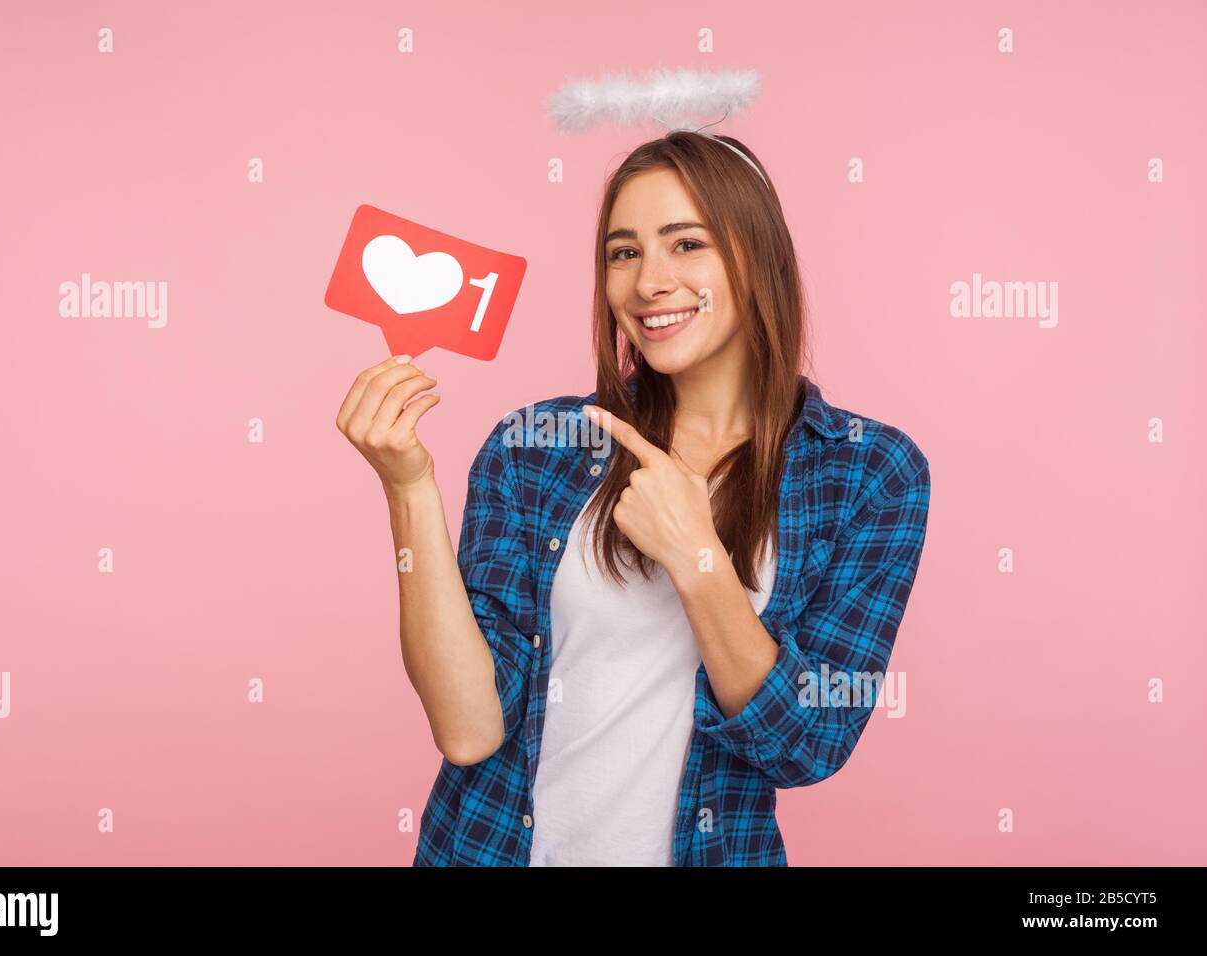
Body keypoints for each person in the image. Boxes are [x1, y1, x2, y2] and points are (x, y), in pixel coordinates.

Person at [336, 130, 931, 866]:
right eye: (623, 252)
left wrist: (696, 555)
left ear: (760, 257)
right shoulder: (536, 446)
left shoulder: (868, 471)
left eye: (686, 244)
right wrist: (407, 488)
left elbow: (807, 743)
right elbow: (468, 729)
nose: (648, 282)